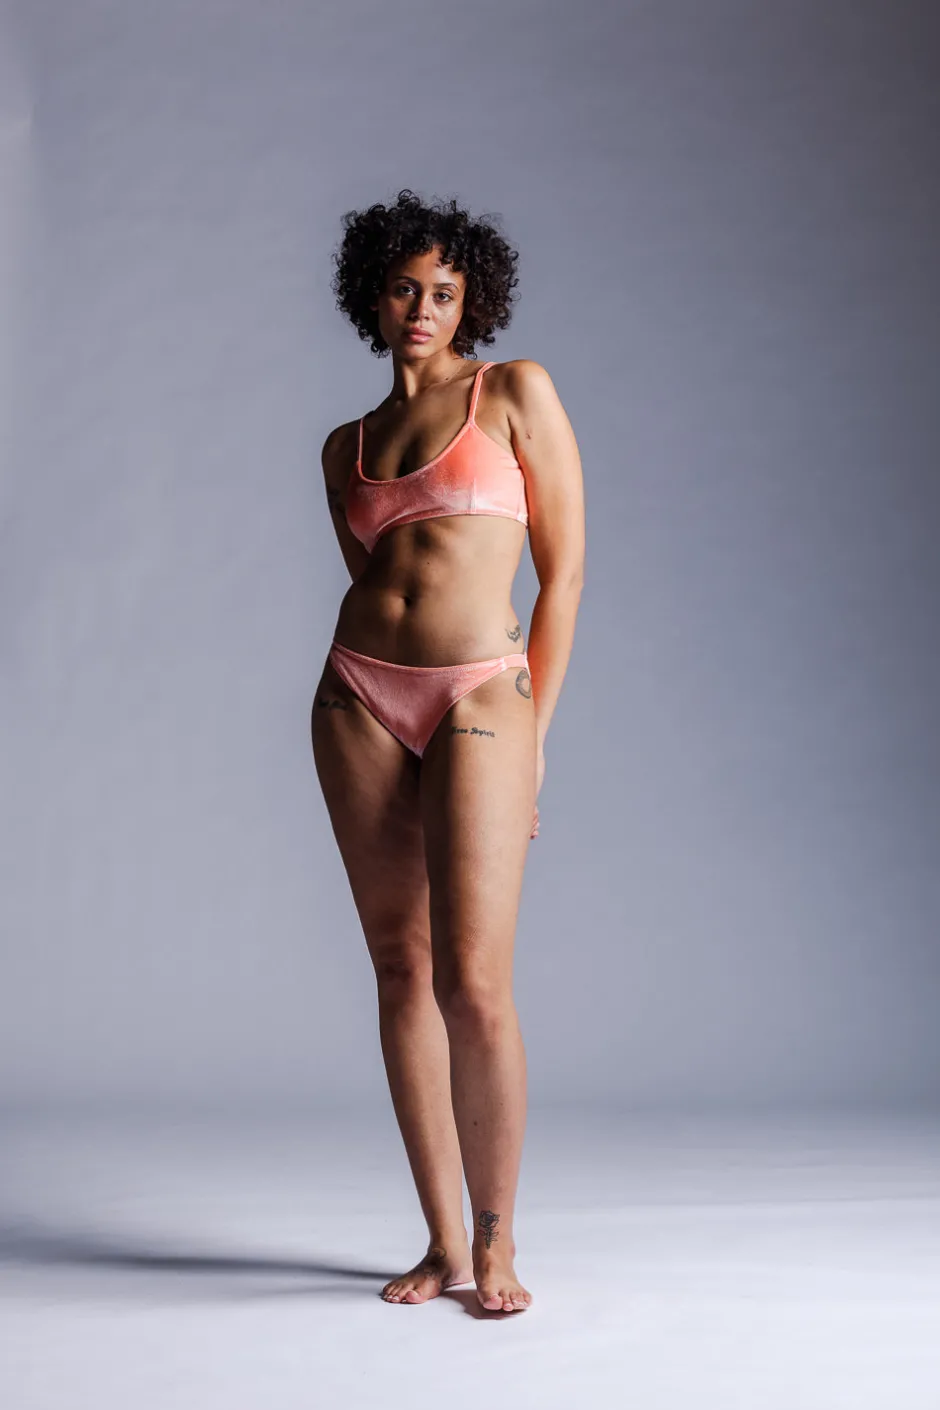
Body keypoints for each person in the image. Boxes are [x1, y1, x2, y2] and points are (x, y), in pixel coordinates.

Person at [311, 189, 584, 1313]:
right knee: (399, 970)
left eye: (444, 291)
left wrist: (537, 739)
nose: (422, 308)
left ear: (473, 300)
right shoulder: (345, 447)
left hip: (482, 689)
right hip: (357, 695)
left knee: (474, 982)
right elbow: (377, 578)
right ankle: (440, 1242)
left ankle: (497, 1240)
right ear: (372, 300)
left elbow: (562, 575)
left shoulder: (513, 393)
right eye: (402, 290)